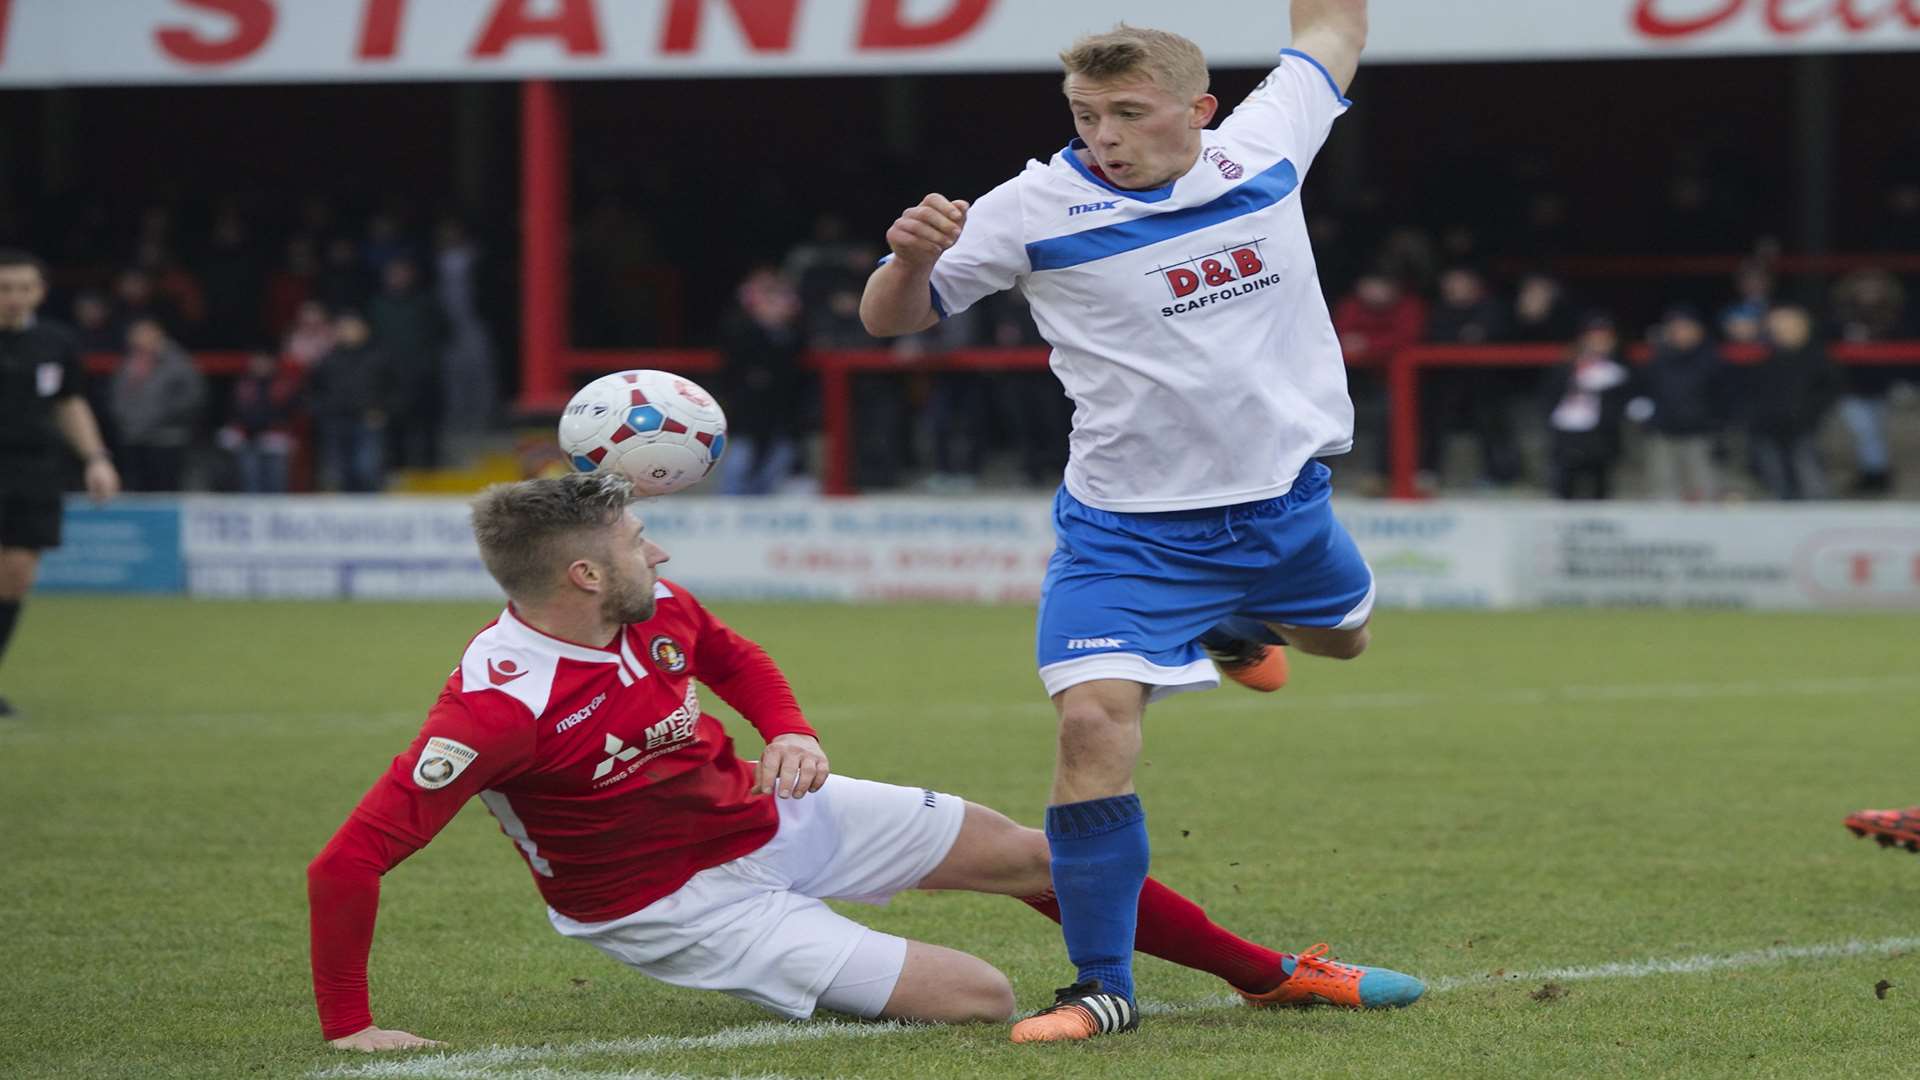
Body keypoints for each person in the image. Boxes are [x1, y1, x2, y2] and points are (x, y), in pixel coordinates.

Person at [307, 473, 1390, 1052]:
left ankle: (1274, 978)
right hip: (671, 904)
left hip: (768, 814)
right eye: (642, 541)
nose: (663, 553)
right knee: (979, 997)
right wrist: (350, 1028)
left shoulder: (651, 610)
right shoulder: (496, 711)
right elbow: (344, 865)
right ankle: (814, 959)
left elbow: (736, 656)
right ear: (585, 574)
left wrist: (790, 731)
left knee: (1038, 856)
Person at [859, 5, 1423, 1042]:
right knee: (1090, 725)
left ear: (1199, 112)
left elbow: (1336, 25)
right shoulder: (1030, 206)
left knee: (1344, 642)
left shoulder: (1262, 143)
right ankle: (1101, 985)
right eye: (1085, 114)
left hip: (1282, 509)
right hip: (1127, 532)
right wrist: (905, 261)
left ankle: (1236, 627)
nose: (1104, 134)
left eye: (1128, 111)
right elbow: (892, 319)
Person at [0, 249, 121, 717]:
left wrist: (95, 458)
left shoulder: (56, 342)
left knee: (16, 575)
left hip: (35, 471)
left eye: (22, 288)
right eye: (4, 288)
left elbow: (69, 403)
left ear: (39, 292)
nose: (12, 297)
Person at [1746, 305, 1839, 501]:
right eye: (1778, 326)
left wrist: (1809, 414)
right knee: (1774, 473)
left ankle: (1818, 512)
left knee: (1808, 469)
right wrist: (1757, 417)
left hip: (1804, 425)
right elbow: (1752, 392)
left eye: (1788, 325)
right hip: (1768, 425)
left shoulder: (1817, 357)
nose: (1782, 330)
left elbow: (1829, 390)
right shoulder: (1764, 358)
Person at [1633, 306, 1725, 501]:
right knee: (1662, 489)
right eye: (1676, 328)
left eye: (1687, 327)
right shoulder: (1656, 360)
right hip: (1662, 433)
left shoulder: (1712, 359)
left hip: (1700, 434)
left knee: (1705, 488)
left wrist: (1717, 425)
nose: (1682, 333)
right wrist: (1647, 418)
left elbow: (1722, 397)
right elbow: (1641, 393)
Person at [1540, 314, 1631, 501]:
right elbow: (1549, 395)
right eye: (1593, 338)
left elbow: (1623, 401)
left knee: (1599, 484)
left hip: (1599, 435)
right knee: (1564, 485)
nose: (1598, 343)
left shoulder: (1620, 369)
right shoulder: (1565, 365)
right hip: (1567, 434)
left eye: (1604, 338)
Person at [108, 318, 206, 492]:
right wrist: (125, 420)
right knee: (136, 489)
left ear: (157, 333)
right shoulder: (129, 362)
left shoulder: (179, 362)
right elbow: (116, 395)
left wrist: (156, 419)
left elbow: (192, 397)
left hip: (166, 440)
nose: (135, 338)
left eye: (142, 333)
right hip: (133, 438)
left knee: (164, 490)